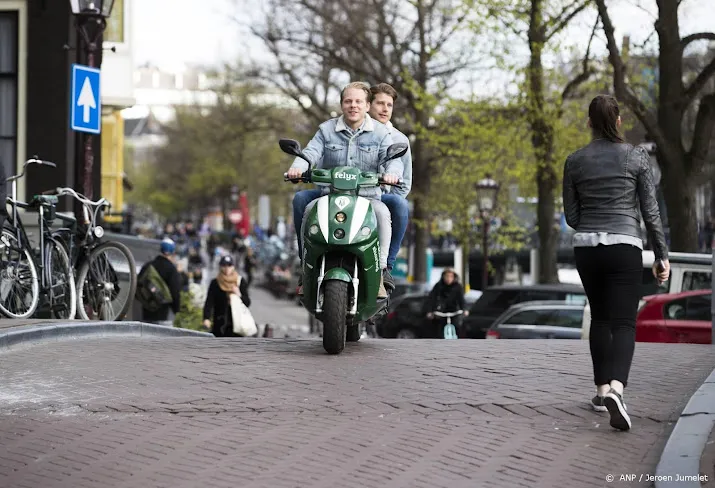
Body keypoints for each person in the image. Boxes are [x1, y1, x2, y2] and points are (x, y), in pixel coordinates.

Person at [563, 94, 669, 431]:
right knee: (624, 322)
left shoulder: (574, 160)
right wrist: (661, 254)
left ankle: (600, 391)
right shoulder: (637, 156)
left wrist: (592, 224)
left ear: (589, 123)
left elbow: (572, 215)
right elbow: (650, 211)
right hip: (624, 243)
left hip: (587, 247)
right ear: (619, 121)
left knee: (600, 318)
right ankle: (618, 390)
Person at [288, 81, 402, 298]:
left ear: (367, 105)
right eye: (348, 101)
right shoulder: (326, 130)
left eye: (359, 101)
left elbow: (392, 158)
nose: (353, 105)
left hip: (368, 198)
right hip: (330, 197)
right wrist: (297, 168)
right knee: (308, 209)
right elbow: (310, 152)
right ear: (341, 105)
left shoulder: (380, 133)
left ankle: (381, 272)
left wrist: (392, 173)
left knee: (382, 213)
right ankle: (306, 267)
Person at [368, 83, 412, 280]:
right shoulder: (355, 131)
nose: (385, 109)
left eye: (389, 105)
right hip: (352, 194)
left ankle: (387, 268)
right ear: (369, 105)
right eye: (380, 103)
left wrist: (388, 195)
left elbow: (405, 183)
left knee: (401, 204)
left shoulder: (400, 140)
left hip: (382, 197)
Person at [202, 255, 252, 337]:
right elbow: (209, 302)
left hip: (236, 325)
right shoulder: (215, 283)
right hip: (219, 325)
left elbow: (247, 302)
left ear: (233, 267)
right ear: (220, 267)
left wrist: (238, 294)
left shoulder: (240, 281)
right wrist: (206, 318)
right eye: (224, 265)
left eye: (229, 265)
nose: (227, 268)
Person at [139, 238, 183, 324]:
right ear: (173, 252)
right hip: (163, 314)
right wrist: (177, 311)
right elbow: (175, 292)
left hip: (146, 312)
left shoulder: (148, 265)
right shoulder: (171, 269)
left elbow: (138, 285)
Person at [426, 268, 469, 338]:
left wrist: (465, 309)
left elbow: (462, 300)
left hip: (454, 312)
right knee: (438, 330)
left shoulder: (458, 287)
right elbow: (432, 299)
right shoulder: (438, 286)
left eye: (451, 276)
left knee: (459, 327)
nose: (448, 278)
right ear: (443, 276)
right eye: (447, 276)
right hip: (441, 312)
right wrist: (430, 311)